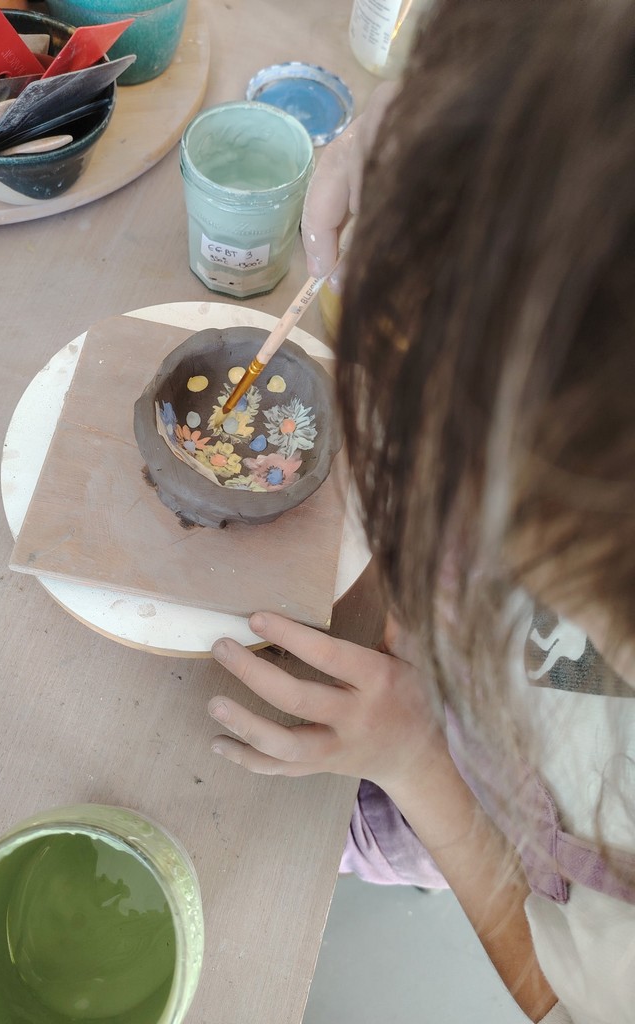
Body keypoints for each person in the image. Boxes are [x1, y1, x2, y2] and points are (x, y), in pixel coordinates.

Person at [206, 1, 635, 1022]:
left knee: (324, 828)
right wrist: (426, 127)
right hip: (448, 701)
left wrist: (416, 766)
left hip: (491, 809)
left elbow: (555, 986)